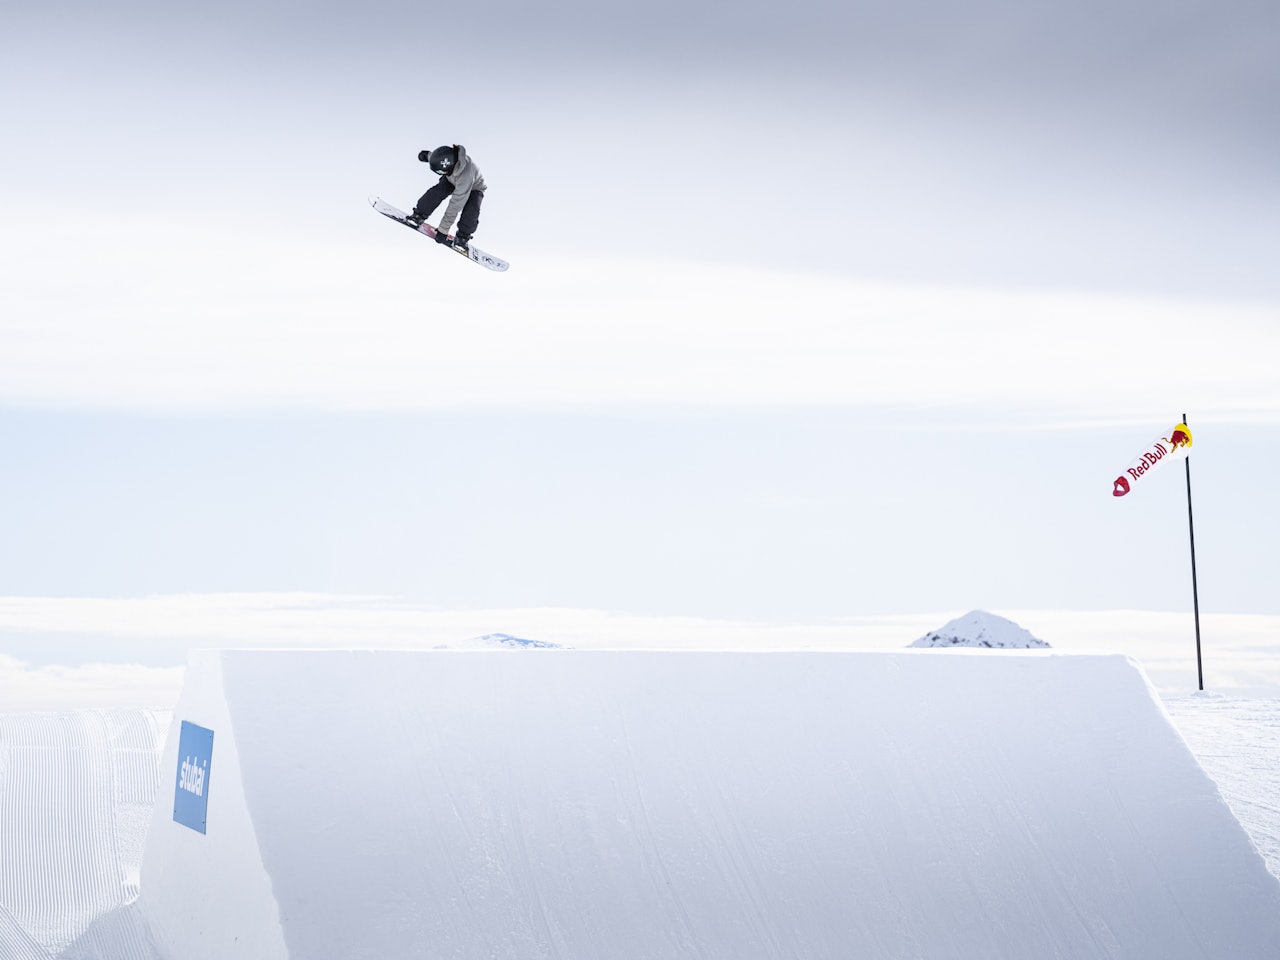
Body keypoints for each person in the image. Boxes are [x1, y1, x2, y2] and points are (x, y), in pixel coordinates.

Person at [408, 145, 487, 252]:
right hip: (452, 178)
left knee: (471, 211)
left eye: (440, 172)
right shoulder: (449, 157)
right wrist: (428, 156)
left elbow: (455, 205)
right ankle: (419, 214)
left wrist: (443, 229)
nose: (439, 174)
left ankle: (462, 237)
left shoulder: (465, 176)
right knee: (437, 192)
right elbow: (439, 157)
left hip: (474, 187)